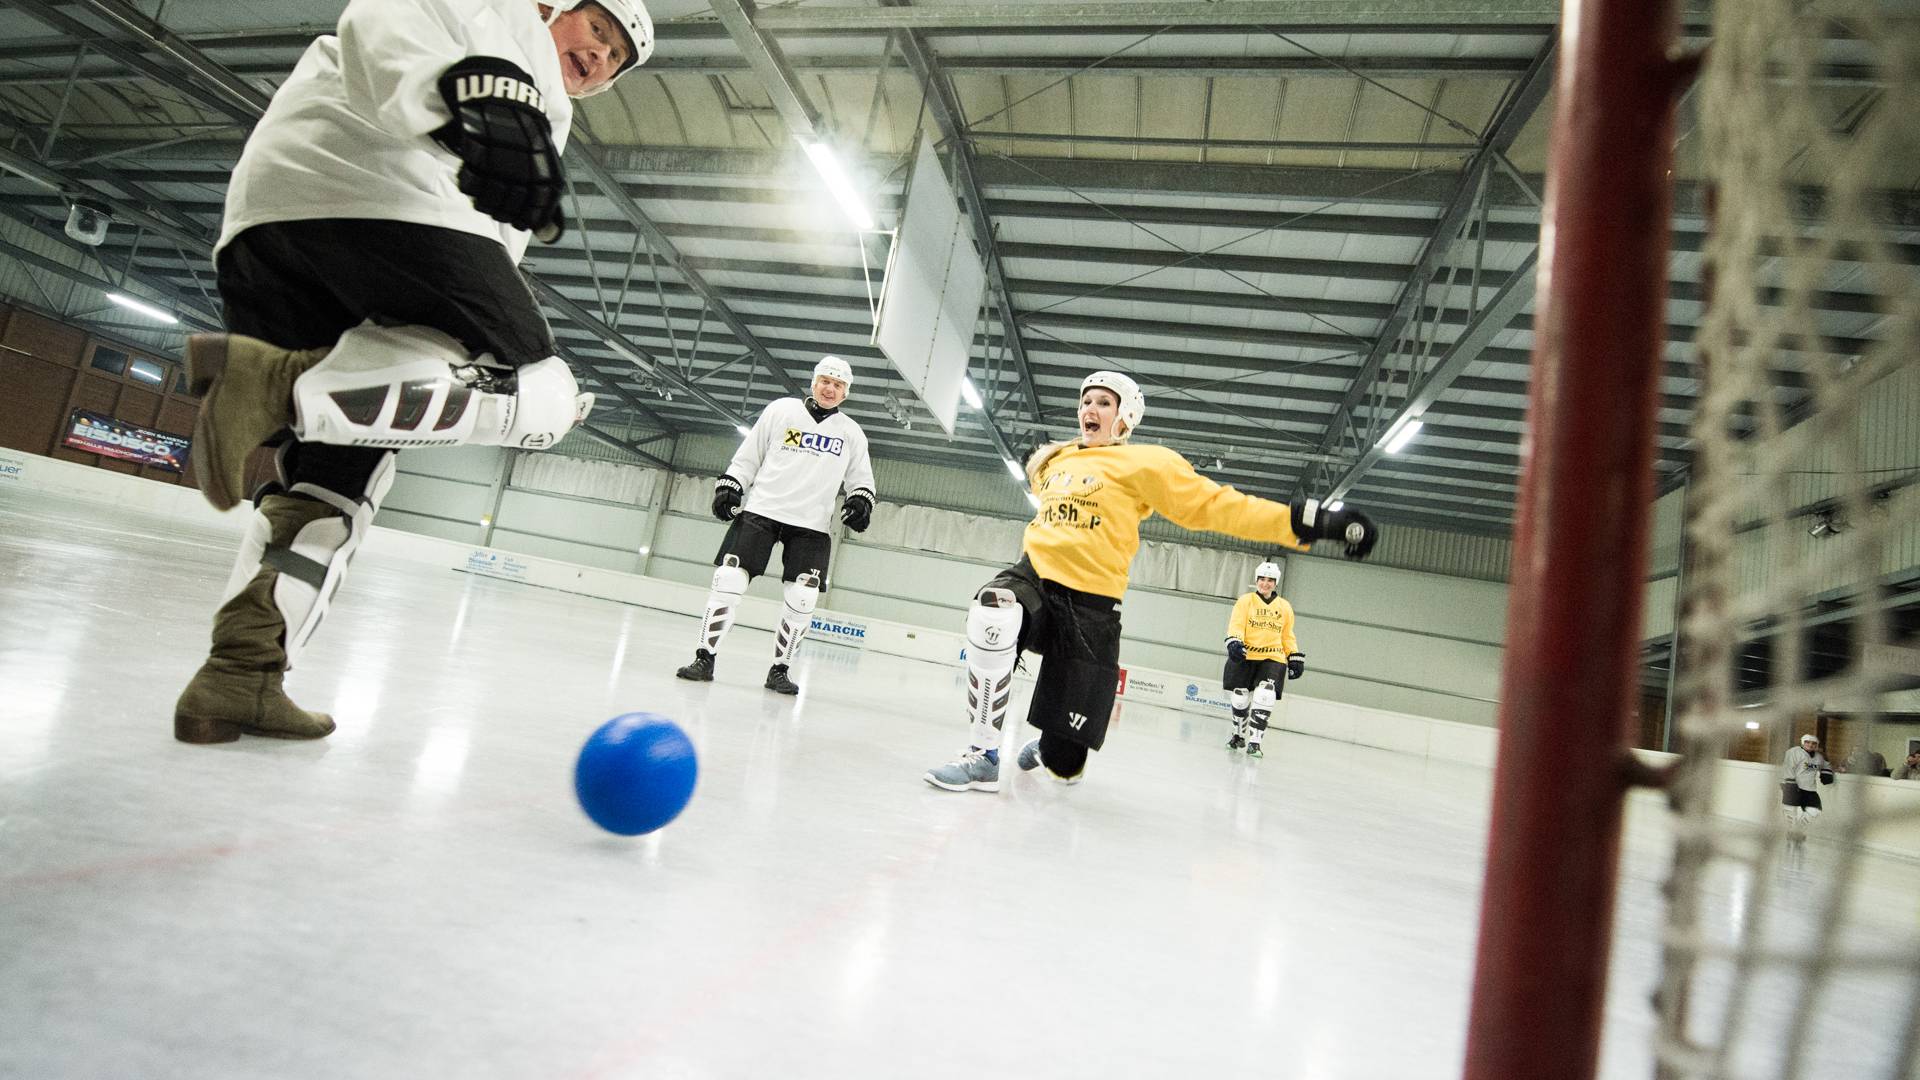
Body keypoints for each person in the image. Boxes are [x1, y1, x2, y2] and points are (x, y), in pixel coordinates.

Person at [171, 0, 654, 744]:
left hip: (268, 227)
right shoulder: (502, 18)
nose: (600, 59)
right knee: (544, 392)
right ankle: (272, 384)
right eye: (598, 31)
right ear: (559, 7)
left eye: (617, 61)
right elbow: (383, 19)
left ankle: (239, 677)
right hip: (378, 198)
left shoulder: (543, 111)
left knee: (336, 482)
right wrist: (466, 89)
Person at [923, 371, 1378, 792]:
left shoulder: (1147, 464)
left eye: (1104, 402)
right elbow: (1038, 471)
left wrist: (1309, 522)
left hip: (1090, 607)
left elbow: (1219, 507)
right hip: (1035, 578)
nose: (1090, 409)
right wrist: (1034, 458)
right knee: (994, 608)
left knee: (1066, 766)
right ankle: (983, 754)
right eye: (1085, 401)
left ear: (1125, 417)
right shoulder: (1056, 459)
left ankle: (1049, 747)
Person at [673, 356, 876, 695]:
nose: (830, 388)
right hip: (762, 510)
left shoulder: (851, 434)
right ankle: (704, 659)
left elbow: (862, 480)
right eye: (825, 380)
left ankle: (779, 670)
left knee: (802, 598)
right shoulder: (781, 411)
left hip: (812, 523)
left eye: (838, 385)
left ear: (846, 393)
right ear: (814, 382)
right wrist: (731, 483)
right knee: (728, 581)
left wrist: (860, 501)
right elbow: (749, 454)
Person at [1222, 560, 1303, 759]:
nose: (1265, 583)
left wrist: (1294, 655)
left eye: (1270, 580)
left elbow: (1287, 635)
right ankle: (1238, 735)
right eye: (1262, 579)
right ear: (1256, 580)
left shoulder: (1284, 607)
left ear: (1276, 583)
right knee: (1240, 697)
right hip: (1246, 653)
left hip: (1273, 656)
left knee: (1265, 694)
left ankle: (1255, 742)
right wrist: (1234, 642)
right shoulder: (1245, 601)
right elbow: (1237, 624)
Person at [1780, 733, 1833, 835]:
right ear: (1803, 742)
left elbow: (1825, 765)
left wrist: (1827, 774)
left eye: (1813, 743)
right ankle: (1791, 831)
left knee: (1815, 810)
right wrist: (1789, 783)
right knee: (1790, 811)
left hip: (1809, 789)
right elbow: (1788, 767)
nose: (1810, 745)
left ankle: (1798, 829)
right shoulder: (1794, 752)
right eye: (1807, 742)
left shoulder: (1818, 757)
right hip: (1792, 786)